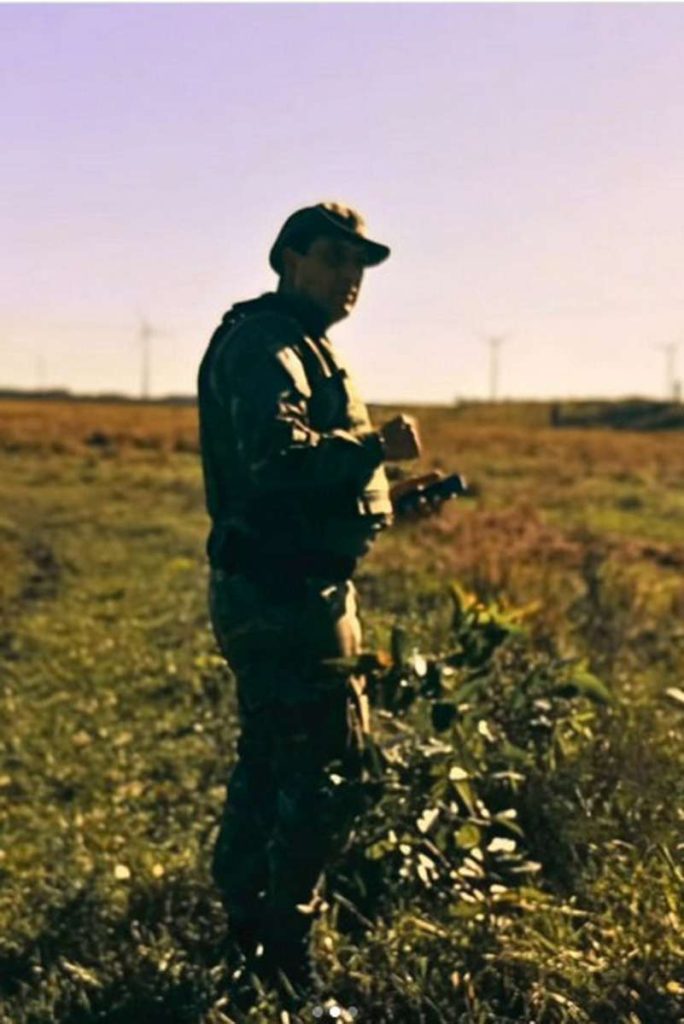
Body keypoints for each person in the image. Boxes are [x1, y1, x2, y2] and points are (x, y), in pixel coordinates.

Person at [197, 201, 421, 1006]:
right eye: (334, 258)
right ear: (289, 259)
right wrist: (375, 445)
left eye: (360, 264)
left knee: (280, 762)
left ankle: (250, 943)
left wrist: (389, 499)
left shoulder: (301, 345)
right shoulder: (264, 344)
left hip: (299, 587)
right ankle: (284, 966)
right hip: (282, 596)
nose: (351, 277)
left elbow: (310, 486)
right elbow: (276, 461)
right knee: (318, 775)